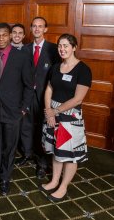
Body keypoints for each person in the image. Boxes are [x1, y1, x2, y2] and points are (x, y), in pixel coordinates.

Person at [0, 23, 33, 196]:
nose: (1, 38)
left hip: (13, 111)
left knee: (9, 147)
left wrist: (23, 109)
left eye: (4, 35)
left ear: (10, 36)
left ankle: (5, 177)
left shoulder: (22, 56)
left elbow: (28, 85)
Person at [40, 34, 92, 202]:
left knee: (69, 154)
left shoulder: (83, 69)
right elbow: (49, 89)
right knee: (57, 151)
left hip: (70, 118)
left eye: (66, 46)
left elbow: (78, 99)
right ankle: (55, 180)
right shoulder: (55, 67)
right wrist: (49, 110)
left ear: (74, 47)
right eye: (60, 46)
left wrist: (55, 111)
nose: (62, 49)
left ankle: (63, 187)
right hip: (52, 114)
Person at [17, 17, 60, 180]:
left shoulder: (53, 49)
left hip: (45, 97)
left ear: (45, 29)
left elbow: (56, 74)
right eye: (34, 26)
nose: (36, 29)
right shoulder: (24, 49)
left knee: (43, 129)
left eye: (40, 26)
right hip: (27, 96)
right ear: (31, 28)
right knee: (26, 126)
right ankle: (27, 154)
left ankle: (42, 163)